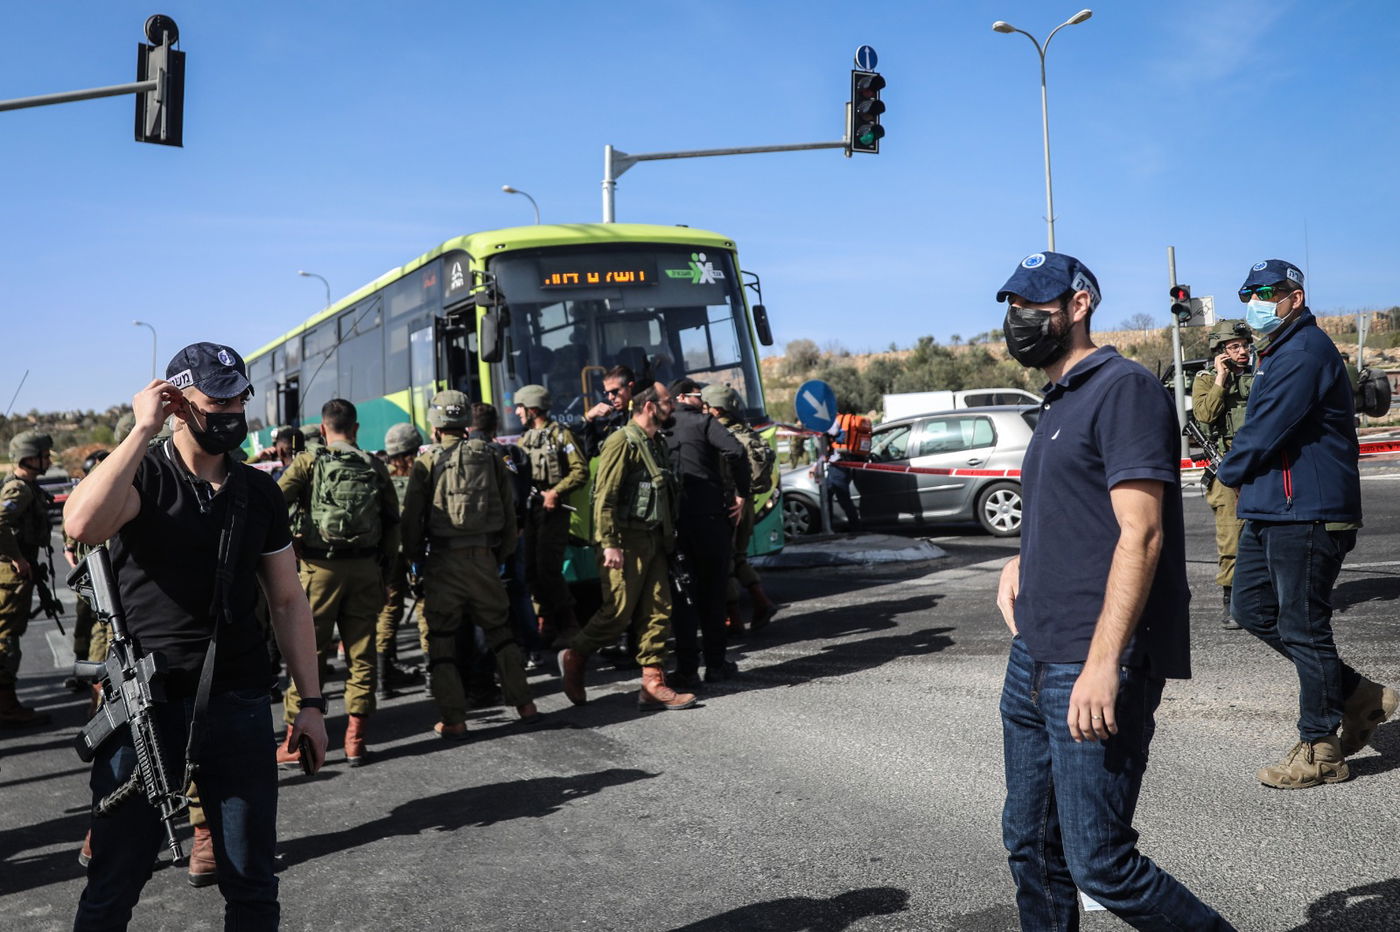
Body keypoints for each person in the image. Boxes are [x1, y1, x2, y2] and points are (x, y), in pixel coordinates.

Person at [993, 252, 1233, 930]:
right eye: (1012, 307)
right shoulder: (1061, 398)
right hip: (1034, 655)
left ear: (1079, 304)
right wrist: (1021, 562)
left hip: (1090, 659)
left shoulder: (1122, 387)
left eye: (1034, 305)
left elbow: (1143, 534)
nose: (1019, 320)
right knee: (1032, 844)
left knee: (1099, 861)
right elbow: (1077, 514)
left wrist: (1103, 664)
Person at [64, 341, 327, 929]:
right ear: (179, 402)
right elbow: (82, 523)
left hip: (238, 702)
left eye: (240, 401)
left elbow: (287, 600)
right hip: (144, 708)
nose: (232, 414)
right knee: (115, 880)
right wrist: (139, 431)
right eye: (218, 402)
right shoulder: (143, 475)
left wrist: (310, 704)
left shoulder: (258, 491)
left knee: (253, 881)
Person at [1217, 258, 1398, 788]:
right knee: (1250, 608)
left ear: (1294, 298)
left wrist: (1227, 470)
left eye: (1266, 290)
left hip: (1309, 511)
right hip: (1272, 507)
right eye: (1248, 290)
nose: (1255, 298)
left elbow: (1268, 427)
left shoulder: (1304, 350)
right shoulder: (1278, 351)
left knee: (1303, 625)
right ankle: (1359, 696)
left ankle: (1321, 750)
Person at [400, 390, 538, 738]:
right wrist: (498, 555)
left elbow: (412, 521)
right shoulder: (492, 454)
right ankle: (525, 705)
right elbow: (509, 513)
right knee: (500, 632)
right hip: (484, 559)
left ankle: (454, 720)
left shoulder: (426, 462)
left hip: (443, 562)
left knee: (443, 639)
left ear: (435, 424)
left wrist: (415, 561)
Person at [558, 382, 697, 711]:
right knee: (617, 613)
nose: (673, 406)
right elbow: (604, 496)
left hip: (654, 539)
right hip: (624, 540)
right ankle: (575, 656)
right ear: (649, 406)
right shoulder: (621, 441)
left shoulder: (655, 443)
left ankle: (652, 683)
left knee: (658, 609)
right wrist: (609, 543)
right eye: (667, 401)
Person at [277, 398, 401, 767]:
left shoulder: (309, 461)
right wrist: (385, 568)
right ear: (356, 428)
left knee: (308, 653)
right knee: (362, 652)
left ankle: (293, 744)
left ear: (324, 428)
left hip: (319, 570)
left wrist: (289, 544)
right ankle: (355, 741)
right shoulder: (373, 464)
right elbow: (392, 521)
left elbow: (273, 500)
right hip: (365, 569)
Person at [665, 378, 749, 687]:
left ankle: (687, 669)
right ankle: (715, 665)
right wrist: (742, 494)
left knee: (683, 597)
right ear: (684, 397)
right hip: (711, 520)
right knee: (713, 595)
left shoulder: (658, 427)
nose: (703, 400)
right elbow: (736, 453)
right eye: (699, 395)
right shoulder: (703, 423)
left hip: (674, 524)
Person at [1191, 319, 1255, 629]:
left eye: (1244, 345)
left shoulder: (1262, 375)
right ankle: (1231, 602)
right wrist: (1221, 379)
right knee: (1231, 537)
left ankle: (1266, 598)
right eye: (1234, 347)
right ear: (1221, 352)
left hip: (1261, 463)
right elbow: (1205, 414)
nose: (1242, 351)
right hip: (1227, 467)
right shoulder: (1206, 380)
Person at [514, 384, 589, 648]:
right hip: (531, 511)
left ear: (532, 409)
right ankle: (546, 619)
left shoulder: (562, 436)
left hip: (554, 513)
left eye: (520, 407)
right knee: (531, 569)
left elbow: (580, 471)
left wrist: (556, 492)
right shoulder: (524, 440)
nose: (516, 412)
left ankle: (570, 625)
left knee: (549, 568)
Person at [701, 384, 779, 633]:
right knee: (739, 557)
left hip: (730, 504)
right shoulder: (746, 431)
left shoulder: (719, 434)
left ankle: (733, 619)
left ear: (716, 409)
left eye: (706, 406)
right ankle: (761, 601)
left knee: (724, 563)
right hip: (747, 503)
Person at [0, 430, 57, 727]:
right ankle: (5, 704)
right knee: (6, 640)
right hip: (10, 577)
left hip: (16, 573)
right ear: (29, 458)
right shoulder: (19, 490)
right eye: (44, 455)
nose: (48, 460)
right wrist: (17, 558)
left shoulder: (27, 486)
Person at [375, 422, 426, 699]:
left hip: (391, 551)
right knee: (424, 608)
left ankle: (383, 679)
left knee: (389, 610)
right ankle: (432, 675)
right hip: (418, 550)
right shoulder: (422, 473)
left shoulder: (382, 475)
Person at [581, 364, 636, 458]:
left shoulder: (646, 412)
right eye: (607, 393)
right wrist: (589, 418)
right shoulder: (610, 417)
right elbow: (591, 452)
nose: (610, 397)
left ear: (630, 386)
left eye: (615, 391)